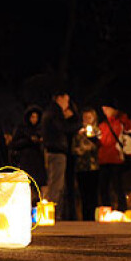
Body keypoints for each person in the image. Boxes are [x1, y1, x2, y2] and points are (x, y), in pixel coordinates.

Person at [41, 91, 81, 219]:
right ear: (60, 98)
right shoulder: (55, 112)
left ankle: (55, 213)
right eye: (66, 101)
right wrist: (79, 126)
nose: (67, 104)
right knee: (56, 184)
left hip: (54, 150)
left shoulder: (50, 112)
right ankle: (51, 214)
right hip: (56, 151)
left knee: (57, 183)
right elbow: (62, 128)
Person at [98, 99, 131, 212]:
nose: (104, 111)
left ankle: (121, 209)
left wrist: (128, 154)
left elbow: (130, 139)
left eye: (106, 109)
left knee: (117, 185)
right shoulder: (103, 124)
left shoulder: (124, 122)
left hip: (117, 158)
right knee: (104, 186)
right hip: (104, 158)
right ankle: (106, 210)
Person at [72, 107, 101, 221]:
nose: (87, 120)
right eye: (85, 118)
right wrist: (79, 150)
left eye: (90, 117)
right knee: (83, 194)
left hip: (94, 166)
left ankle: (94, 217)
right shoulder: (78, 132)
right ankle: (85, 218)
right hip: (81, 167)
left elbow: (100, 145)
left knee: (93, 193)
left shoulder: (98, 131)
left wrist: (92, 142)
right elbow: (74, 148)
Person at [10, 105, 47, 195]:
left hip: (39, 161)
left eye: (36, 117)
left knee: (39, 184)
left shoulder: (42, 129)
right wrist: (28, 140)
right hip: (26, 161)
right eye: (32, 117)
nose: (34, 119)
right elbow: (14, 144)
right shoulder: (22, 129)